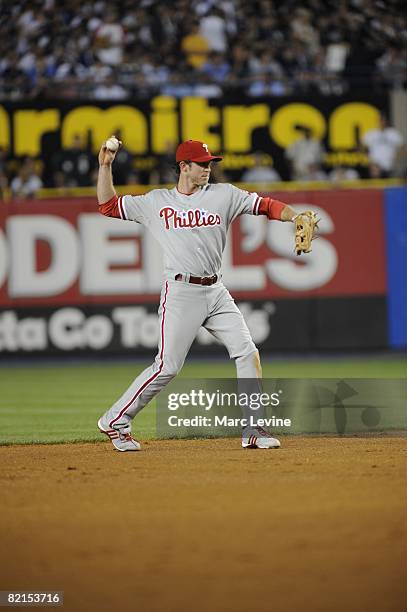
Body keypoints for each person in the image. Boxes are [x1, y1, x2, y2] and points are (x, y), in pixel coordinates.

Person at [96, 139, 300, 452]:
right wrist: (106, 166)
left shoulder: (224, 195)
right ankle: (116, 420)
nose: (208, 168)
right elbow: (108, 206)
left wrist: (294, 216)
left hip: (216, 291)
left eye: (209, 163)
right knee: (167, 367)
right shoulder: (157, 202)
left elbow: (266, 206)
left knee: (247, 352)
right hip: (181, 291)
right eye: (202, 163)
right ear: (184, 167)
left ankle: (254, 430)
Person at [363, 114, 404, 178]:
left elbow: (403, 148)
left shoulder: (393, 134)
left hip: (390, 166)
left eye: (383, 120)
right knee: (377, 185)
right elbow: (364, 149)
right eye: (380, 120)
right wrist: (371, 163)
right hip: (375, 167)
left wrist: (397, 160)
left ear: (386, 121)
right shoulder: (371, 134)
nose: (382, 122)